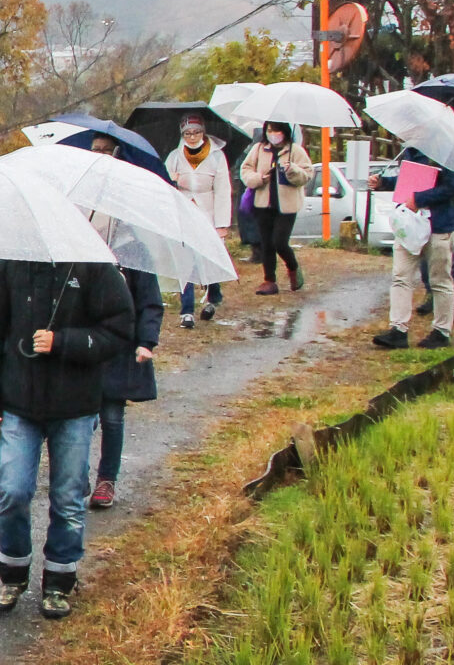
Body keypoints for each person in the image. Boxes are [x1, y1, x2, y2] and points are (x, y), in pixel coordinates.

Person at [0, 254, 135, 620]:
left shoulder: (95, 267)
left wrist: (63, 342)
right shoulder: (12, 265)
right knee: (12, 490)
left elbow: (119, 330)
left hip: (76, 407)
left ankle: (60, 579)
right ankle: (12, 574)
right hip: (18, 405)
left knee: (68, 495)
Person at [372, 145, 454, 351]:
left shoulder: (450, 151)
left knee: (440, 279)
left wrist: (420, 199)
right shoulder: (411, 149)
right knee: (400, 276)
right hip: (410, 224)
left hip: (439, 225)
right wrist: (384, 182)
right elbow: (410, 182)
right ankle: (398, 329)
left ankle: (442, 331)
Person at [90, 260, 163, 509]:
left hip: (119, 350)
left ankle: (106, 479)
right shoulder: (81, 247)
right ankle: (75, 475)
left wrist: (146, 341)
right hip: (82, 347)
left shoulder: (135, 254)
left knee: (111, 418)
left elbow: (150, 302)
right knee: (79, 420)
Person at [165, 115, 230, 325]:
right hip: (183, 213)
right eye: (187, 133)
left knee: (209, 258)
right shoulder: (175, 156)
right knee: (186, 261)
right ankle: (187, 311)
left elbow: (223, 191)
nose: (192, 137)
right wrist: (172, 180)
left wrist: (222, 224)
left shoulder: (216, 157)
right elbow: (163, 183)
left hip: (207, 213)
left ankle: (213, 296)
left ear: (203, 132)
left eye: (196, 132)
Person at [239, 121, 312, 294]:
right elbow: (245, 170)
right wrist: (258, 178)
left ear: (284, 131)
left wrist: (292, 170)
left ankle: (293, 267)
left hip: (287, 206)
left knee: (279, 242)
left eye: (276, 130)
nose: (273, 134)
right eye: (269, 130)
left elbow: (307, 175)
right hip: (263, 203)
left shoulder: (296, 151)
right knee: (266, 243)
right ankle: (269, 280)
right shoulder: (258, 149)